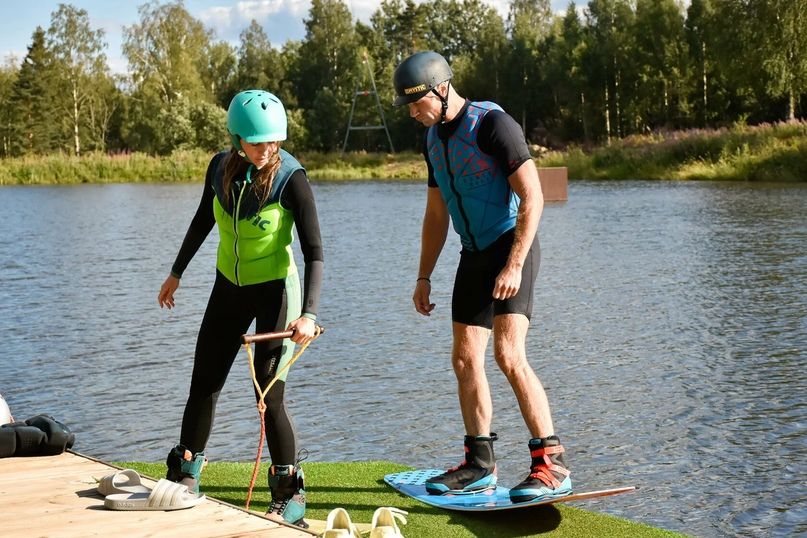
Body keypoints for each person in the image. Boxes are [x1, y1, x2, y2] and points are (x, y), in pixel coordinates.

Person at [392, 51, 571, 503]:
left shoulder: (493, 124)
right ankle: (480, 464)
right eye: (408, 106)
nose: (413, 113)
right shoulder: (433, 141)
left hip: (512, 245)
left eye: (416, 103)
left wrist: (514, 264)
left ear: (441, 89)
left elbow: (533, 196)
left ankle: (551, 463)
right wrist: (423, 276)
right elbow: (436, 215)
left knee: (509, 355)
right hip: (473, 255)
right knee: (464, 358)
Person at [157, 90, 323, 527]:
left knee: (268, 394)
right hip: (227, 288)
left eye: (273, 140)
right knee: (204, 381)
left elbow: (315, 251)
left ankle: (289, 493)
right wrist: (176, 272)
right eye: (257, 142)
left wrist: (308, 314)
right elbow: (202, 219)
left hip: (276, 293)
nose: (267, 149)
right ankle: (186, 473)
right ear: (237, 139)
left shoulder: (291, 179)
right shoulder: (219, 169)